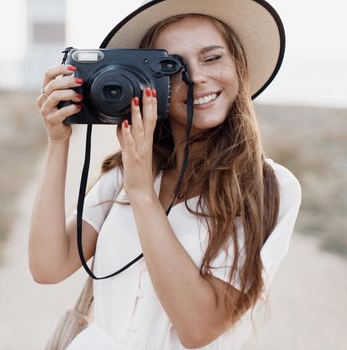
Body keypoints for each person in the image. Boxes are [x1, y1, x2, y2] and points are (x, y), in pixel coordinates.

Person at [29, 0, 301, 349]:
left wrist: (142, 195)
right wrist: (58, 143)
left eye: (212, 57)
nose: (197, 76)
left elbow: (198, 329)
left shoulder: (271, 187)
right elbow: (47, 266)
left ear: (238, 66)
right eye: (172, 65)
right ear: (149, 81)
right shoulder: (127, 171)